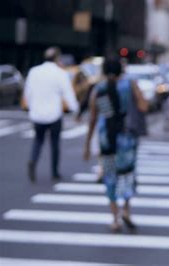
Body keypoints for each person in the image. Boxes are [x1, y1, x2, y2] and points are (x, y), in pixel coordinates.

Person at [83, 57, 148, 232]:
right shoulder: (130, 85)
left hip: (107, 139)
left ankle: (115, 219)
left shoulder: (99, 89)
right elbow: (143, 106)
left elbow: (93, 118)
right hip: (126, 138)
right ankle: (126, 210)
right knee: (127, 174)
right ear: (121, 70)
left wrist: (88, 144)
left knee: (110, 177)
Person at [24, 47, 79, 182]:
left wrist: (31, 107)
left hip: (37, 113)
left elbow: (28, 92)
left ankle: (33, 160)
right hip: (54, 114)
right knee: (54, 144)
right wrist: (75, 109)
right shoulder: (60, 73)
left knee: (38, 140)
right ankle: (54, 172)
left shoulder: (34, 71)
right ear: (57, 58)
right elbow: (68, 94)